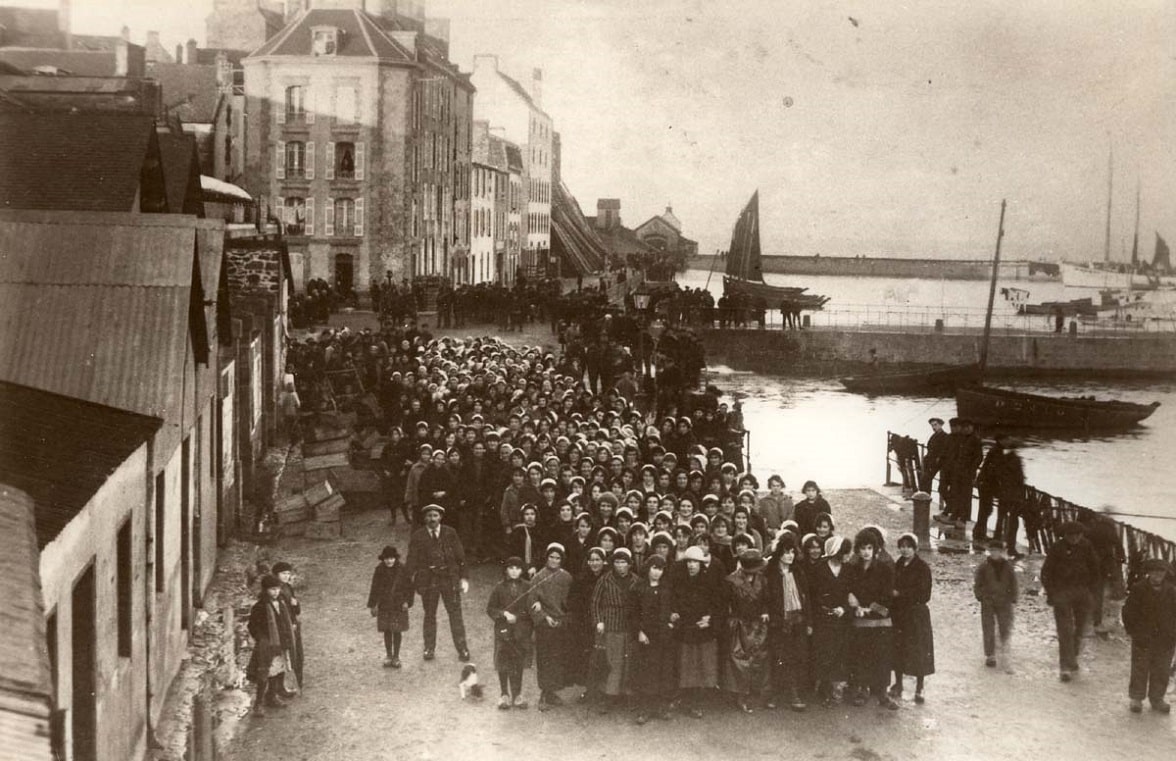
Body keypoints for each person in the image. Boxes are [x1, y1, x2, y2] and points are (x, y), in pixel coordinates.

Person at [405, 503, 471, 662]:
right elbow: (411, 561)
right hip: (428, 581)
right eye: (429, 516)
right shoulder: (418, 536)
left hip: (449, 579)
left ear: (440, 517)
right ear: (424, 518)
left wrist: (464, 578)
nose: (432, 519)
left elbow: (460, 557)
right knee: (429, 615)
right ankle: (429, 648)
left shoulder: (450, 533)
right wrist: (409, 582)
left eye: (435, 516)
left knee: (455, 614)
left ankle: (462, 648)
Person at [1040, 520, 1100, 682]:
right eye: (1071, 535)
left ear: (1081, 535)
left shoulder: (1086, 546)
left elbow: (1096, 570)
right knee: (1065, 630)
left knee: (1080, 629)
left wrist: (1092, 592)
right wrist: (1052, 593)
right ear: (1065, 535)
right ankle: (1065, 666)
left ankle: (1072, 656)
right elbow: (1046, 572)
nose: (1074, 538)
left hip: (1082, 592)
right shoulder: (1057, 548)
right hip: (1062, 593)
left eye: (1078, 535)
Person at [847, 529, 899, 710]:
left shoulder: (884, 569)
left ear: (875, 549)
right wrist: (854, 603)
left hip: (880, 620)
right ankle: (863, 689)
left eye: (869, 548)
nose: (866, 552)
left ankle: (882, 694)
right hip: (860, 620)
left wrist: (870, 607)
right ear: (858, 550)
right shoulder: (853, 569)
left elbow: (887, 594)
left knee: (882, 657)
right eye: (862, 548)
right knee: (862, 655)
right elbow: (849, 589)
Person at [672, 545, 721, 718]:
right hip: (686, 629)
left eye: (695, 562)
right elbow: (675, 602)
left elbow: (718, 605)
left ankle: (696, 701)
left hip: (703, 630)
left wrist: (710, 619)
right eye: (689, 562)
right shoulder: (680, 581)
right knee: (687, 665)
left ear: (701, 564)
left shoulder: (709, 582)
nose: (691, 565)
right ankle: (684, 698)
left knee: (702, 665)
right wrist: (675, 613)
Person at [1121, 558, 1175, 714]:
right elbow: (1128, 611)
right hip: (1144, 636)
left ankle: (1157, 698)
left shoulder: (1172, 591)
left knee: (1162, 668)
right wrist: (1133, 631)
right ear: (1149, 573)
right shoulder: (1139, 589)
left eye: (1162, 571)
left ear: (1166, 573)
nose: (1158, 574)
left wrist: (1173, 633)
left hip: (1166, 638)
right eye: (1155, 571)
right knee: (1140, 667)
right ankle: (1136, 698)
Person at [723, 548, 773, 712]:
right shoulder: (731, 581)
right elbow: (726, 605)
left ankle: (757, 695)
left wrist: (765, 610)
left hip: (758, 625)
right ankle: (740, 696)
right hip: (740, 625)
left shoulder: (762, 579)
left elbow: (766, 599)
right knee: (740, 661)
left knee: (759, 658)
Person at [766, 533, 810, 711]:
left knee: (794, 657)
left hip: (797, 621)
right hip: (778, 622)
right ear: (779, 553)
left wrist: (809, 622)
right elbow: (767, 600)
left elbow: (807, 599)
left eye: (792, 552)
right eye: (786, 552)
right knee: (779, 658)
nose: (790, 555)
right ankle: (775, 693)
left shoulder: (798, 572)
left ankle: (794, 694)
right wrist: (775, 620)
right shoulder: (771, 573)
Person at [591, 547, 638, 713]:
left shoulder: (636, 580)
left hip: (630, 626)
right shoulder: (605, 580)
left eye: (623, 562)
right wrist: (599, 621)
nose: (620, 566)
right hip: (612, 625)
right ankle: (610, 696)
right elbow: (595, 603)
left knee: (629, 661)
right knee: (614, 662)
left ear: (629, 564)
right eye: (617, 562)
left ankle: (628, 695)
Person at [530, 543, 575, 711]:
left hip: (561, 623)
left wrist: (564, 619)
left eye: (558, 558)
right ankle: (544, 692)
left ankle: (552, 692)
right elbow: (532, 602)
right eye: (551, 557)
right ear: (546, 558)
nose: (554, 561)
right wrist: (544, 617)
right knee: (545, 658)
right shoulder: (538, 578)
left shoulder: (567, 578)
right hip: (544, 624)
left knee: (557, 657)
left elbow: (570, 602)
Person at [630, 554, 675, 724]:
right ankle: (645, 708)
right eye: (654, 568)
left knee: (663, 671)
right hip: (646, 637)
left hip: (663, 636)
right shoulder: (638, 588)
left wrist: (672, 623)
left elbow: (672, 609)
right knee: (646, 672)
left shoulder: (667, 588)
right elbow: (632, 614)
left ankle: (661, 707)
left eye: (660, 569)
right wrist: (639, 632)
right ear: (648, 568)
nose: (657, 573)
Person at [890, 533, 934, 704]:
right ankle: (898, 684)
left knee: (919, 651)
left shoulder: (922, 568)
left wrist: (900, 594)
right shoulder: (898, 564)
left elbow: (924, 594)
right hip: (899, 614)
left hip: (916, 615)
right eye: (902, 546)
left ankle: (920, 687)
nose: (905, 549)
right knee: (898, 648)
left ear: (915, 548)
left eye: (909, 546)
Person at [487, 557, 534, 709]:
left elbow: (530, 609)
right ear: (506, 570)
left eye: (518, 568)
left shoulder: (528, 586)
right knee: (503, 661)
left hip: (521, 631)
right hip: (503, 631)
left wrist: (518, 617)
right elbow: (491, 609)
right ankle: (504, 694)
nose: (514, 571)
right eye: (511, 568)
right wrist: (504, 615)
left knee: (518, 661)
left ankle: (517, 694)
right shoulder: (499, 588)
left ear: (522, 570)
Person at [246, 575, 298, 716]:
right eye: (272, 589)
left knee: (279, 669)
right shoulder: (260, 607)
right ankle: (258, 704)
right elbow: (252, 626)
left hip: (282, 642)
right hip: (267, 646)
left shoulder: (282, 602)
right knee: (265, 673)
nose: (275, 592)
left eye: (277, 589)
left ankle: (272, 696)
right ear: (265, 590)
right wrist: (262, 639)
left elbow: (290, 617)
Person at [810, 535, 852, 706]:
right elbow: (812, 594)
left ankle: (837, 689)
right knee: (824, 651)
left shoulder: (848, 569)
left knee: (839, 653)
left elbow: (850, 592)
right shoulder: (819, 568)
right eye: (845, 552)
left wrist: (844, 608)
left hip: (841, 618)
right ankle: (825, 686)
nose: (847, 556)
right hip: (823, 618)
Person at [973, 539, 1018, 671]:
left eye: (997, 551)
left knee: (1005, 625)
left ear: (1002, 552)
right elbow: (978, 583)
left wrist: (1013, 596)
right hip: (988, 601)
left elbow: (1013, 583)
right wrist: (980, 595)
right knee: (988, 627)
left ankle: (1004, 649)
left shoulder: (1008, 567)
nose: (995, 553)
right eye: (992, 551)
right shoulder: (983, 566)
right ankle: (990, 655)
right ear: (989, 551)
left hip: (1004, 601)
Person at [367, 545, 412, 668]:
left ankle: (396, 657)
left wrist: (407, 601)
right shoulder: (379, 570)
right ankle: (388, 655)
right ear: (383, 559)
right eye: (386, 558)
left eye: (391, 558)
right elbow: (374, 588)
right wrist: (373, 605)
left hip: (398, 605)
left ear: (395, 558)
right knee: (387, 630)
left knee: (397, 631)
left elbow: (409, 587)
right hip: (384, 605)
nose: (389, 561)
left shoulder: (402, 569)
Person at [270, 561, 304, 691]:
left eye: (288, 574)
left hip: (293, 626)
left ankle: (292, 685)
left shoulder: (288, 587)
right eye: (283, 573)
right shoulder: (274, 591)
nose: (286, 576)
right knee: (281, 658)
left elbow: (296, 610)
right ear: (276, 574)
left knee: (295, 656)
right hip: (282, 629)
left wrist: (295, 605)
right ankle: (277, 689)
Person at [920, 417, 947, 493]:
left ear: (941, 425)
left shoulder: (945, 437)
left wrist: (937, 459)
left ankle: (926, 497)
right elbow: (929, 447)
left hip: (937, 462)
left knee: (925, 480)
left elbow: (944, 450)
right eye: (932, 425)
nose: (933, 427)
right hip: (930, 461)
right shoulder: (933, 436)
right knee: (925, 481)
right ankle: (925, 497)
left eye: (935, 425)